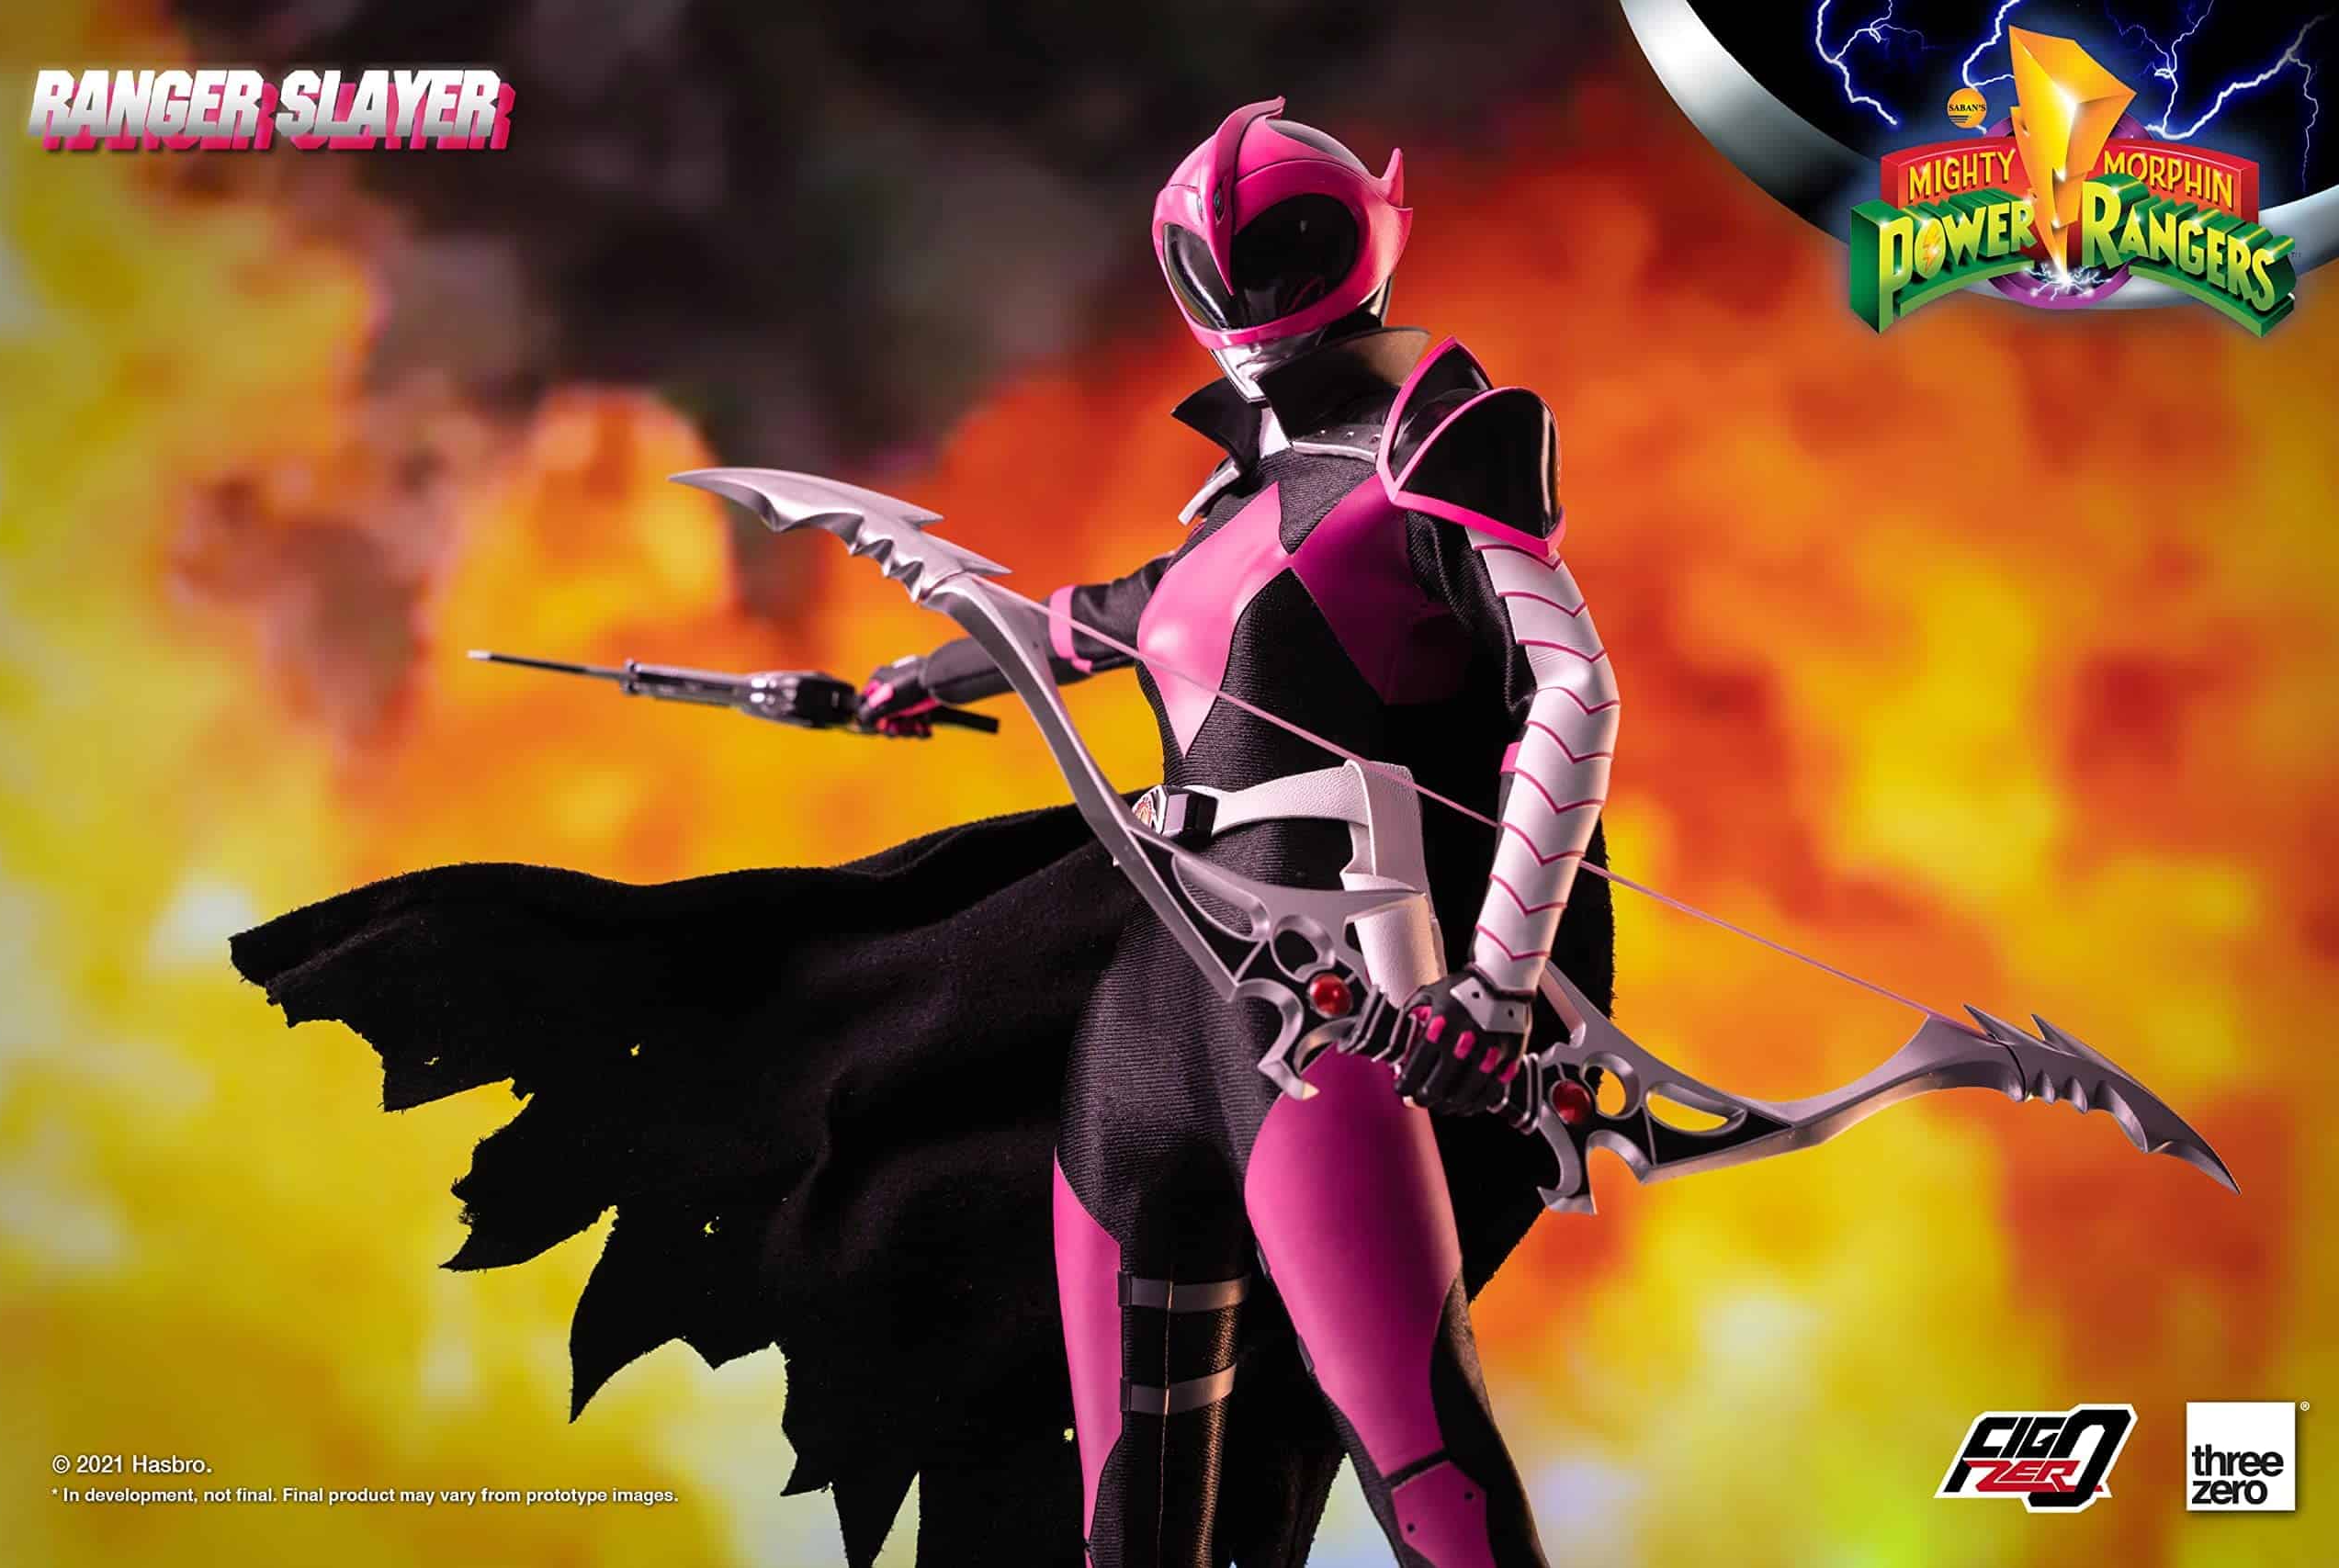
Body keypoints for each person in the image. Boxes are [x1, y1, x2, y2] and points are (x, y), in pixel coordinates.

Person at [232, 98, 1616, 1568]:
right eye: (1216, 259)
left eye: (1277, 248)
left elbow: (1571, 691)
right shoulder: (1238, 505)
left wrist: (1495, 983)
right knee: (1127, 1506)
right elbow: (1091, 626)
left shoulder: (1442, 447)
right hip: (1156, 1007)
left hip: (1321, 1001)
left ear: (1368, 233)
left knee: (1421, 1454)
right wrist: (906, 682)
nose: (1244, 286)